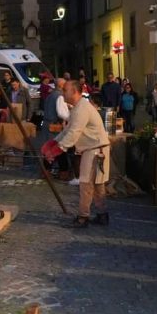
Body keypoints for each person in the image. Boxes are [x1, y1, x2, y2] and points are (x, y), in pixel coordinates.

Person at [42, 81, 111, 228]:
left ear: (74, 91)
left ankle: (83, 217)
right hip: (94, 148)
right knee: (97, 185)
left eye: (65, 90)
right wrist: (54, 142)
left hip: (95, 150)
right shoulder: (78, 108)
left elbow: (73, 133)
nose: (62, 92)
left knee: (86, 184)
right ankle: (102, 215)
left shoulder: (81, 108)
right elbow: (68, 131)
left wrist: (57, 149)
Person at [42, 78, 71, 180]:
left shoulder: (50, 96)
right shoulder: (59, 96)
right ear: (61, 86)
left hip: (47, 124)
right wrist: (70, 117)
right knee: (59, 149)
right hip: (54, 126)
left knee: (49, 148)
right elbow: (61, 113)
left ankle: (46, 171)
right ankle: (63, 172)